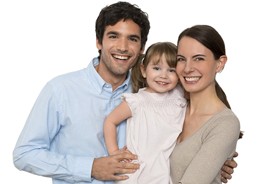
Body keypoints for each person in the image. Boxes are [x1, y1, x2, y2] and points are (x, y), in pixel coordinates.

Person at [12, 1, 237, 184]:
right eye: (113, 36)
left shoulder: (155, 90)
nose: (122, 47)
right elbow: (24, 155)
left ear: (141, 49)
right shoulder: (60, 90)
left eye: (132, 39)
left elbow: (191, 125)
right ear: (98, 41)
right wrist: (90, 167)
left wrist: (214, 162)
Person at [169, 25, 243, 184]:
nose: (187, 68)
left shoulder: (225, 124)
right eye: (181, 59)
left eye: (199, 58)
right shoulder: (172, 106)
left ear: (220, 63)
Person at [104, 42, 186, 184]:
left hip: (166, 172)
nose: (164, 75)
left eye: (171, 70)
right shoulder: (137, 101)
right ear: (143, 70)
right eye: (156, 68)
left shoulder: (179, 95)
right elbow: (110, 121)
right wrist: (114, 152)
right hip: (138, 173)